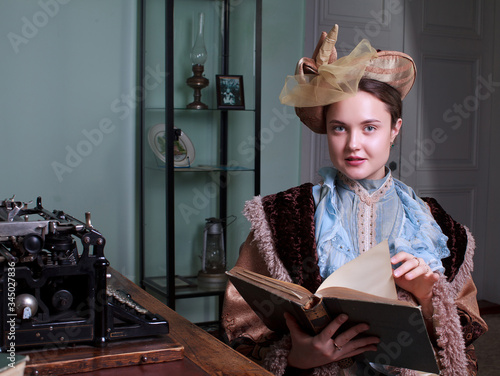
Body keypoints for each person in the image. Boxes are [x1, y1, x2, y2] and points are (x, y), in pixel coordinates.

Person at [222, 25, 487, 376]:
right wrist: (295, 358)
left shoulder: (439, 227)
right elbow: (240, 328)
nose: (353, 145)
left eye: (370, 127)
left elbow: (464, 339)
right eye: (339, 127)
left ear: (395, 129)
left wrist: (428, 294)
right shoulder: (281, 216)